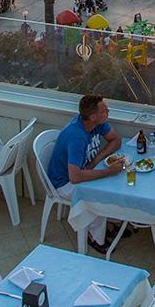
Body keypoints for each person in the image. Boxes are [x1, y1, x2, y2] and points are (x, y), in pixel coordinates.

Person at [46, 93, 122, 250]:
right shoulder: (77, 136)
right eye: (104, 110)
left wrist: (95, 160)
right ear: (93, 117)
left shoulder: (95, 124)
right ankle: (94, 238)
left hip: (81, 171)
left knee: (111, 184)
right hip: (63, 183)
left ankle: (109, 223)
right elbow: (75, 177)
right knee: (99, 192)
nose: (108, 111)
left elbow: (116, 140)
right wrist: (108, 171)